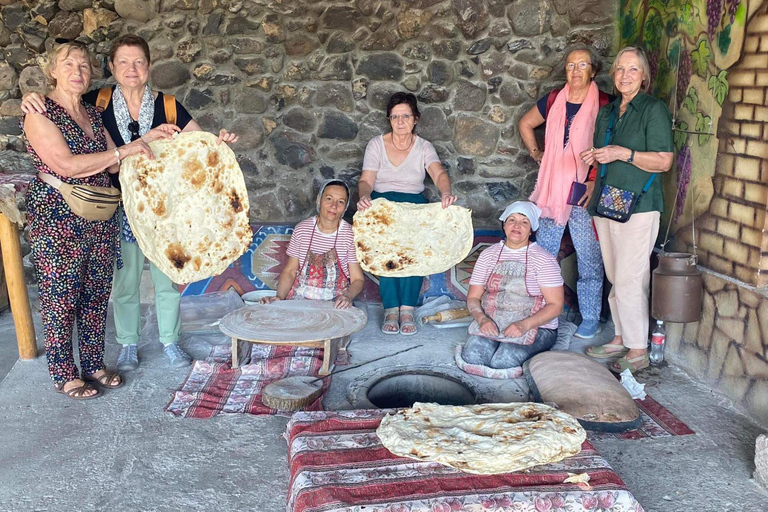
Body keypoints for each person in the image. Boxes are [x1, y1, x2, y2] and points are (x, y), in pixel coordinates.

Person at [23, 35, 239, 372]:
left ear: (149, 66)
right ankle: (128, 344)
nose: (131, 68)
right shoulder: (96, 101)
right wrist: (31, 97)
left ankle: (170, 340)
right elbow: (62, 105)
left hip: (166, 211)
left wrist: (219, 143)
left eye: (138, 61)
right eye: (122, 62)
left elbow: (199, 143)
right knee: (125, 282)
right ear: (111, 67)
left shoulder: (168, 105)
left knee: (168, 276)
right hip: (117, 207)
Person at [22, 42, 157, 399]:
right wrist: (125, 149)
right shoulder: (40, 113)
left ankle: (94, 364)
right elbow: (64, 165)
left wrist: (148, 142)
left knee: (96, 295)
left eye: (83, 65)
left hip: (99, 215)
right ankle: (64, 373)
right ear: (52, 70)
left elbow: (114, 164)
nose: (77, 71)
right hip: (58, 215)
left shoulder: (93, 114)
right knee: (60, 296)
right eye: (68, 64)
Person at [580, 46, 674, 373]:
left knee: (630, 278)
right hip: (608, 201)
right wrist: (596, 161)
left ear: (644, 75)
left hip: (640, 205)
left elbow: (663, 161)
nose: (625, 75)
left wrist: (623, 153)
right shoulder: (608, 112)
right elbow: (603, 154)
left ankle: (638, 349)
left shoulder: (653, 109)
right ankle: (620, 337)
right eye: (620, 69)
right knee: (614, 275)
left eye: (633, 70)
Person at [519, 46, 611, 340]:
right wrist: (537, 153)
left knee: (589, 258)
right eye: (571, 65)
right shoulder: (554, 99)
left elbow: (612, 145)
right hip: (552, 192)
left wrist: (595, 180)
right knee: (544, 257)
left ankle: (591, 316)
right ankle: (544, 315)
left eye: (582, 65)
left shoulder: (606, 103)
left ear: (593, 71)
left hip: (584, 191)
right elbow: (525, 123)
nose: (575, 70)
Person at [356, 92, 458, 335]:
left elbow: (439, 174)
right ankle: (391, 308)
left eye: (405, 116)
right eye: (395, 117)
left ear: (415, 119)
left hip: (414, 207)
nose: (400, 121)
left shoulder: (424, 147)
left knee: (413, 255)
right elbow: (366, 180)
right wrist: (364, 197)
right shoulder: (376, 144)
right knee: (387, 255)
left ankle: (408, 309)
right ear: (389, 120)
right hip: (384, 208)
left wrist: (446, 193)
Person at [460, 201, 564, 372]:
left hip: (535, 325)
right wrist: (482, 319)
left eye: (524, 222)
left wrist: (523, 325)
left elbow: (556, 306)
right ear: (504, 224)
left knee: (504, 361)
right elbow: (473, 298)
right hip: (494, 320)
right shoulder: (488, 255)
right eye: (512, 220)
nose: (517, 226)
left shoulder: (543, 259)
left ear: (532, 229)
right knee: (473, 357)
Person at [261, 180, 364, 307]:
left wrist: (347, 297)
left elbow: (357, 279)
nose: (334, 206)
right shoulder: (302, 230)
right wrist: (279, 297)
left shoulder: (350, 234)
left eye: (341, 202)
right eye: (329, 199)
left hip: (335, 303)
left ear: (345, 207)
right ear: (319, 200)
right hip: (299, 299)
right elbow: (290, 271)